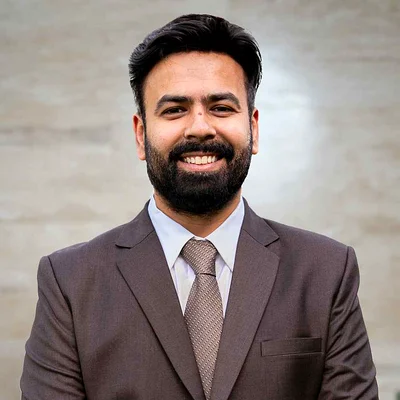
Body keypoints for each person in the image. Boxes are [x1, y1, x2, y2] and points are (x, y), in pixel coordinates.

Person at [21, 14, 378, 400]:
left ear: (254, 128)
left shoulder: (326, 271)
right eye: (175, 110)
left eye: (221, 107)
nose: (200, 128)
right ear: (141, 135)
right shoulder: (70, 281)